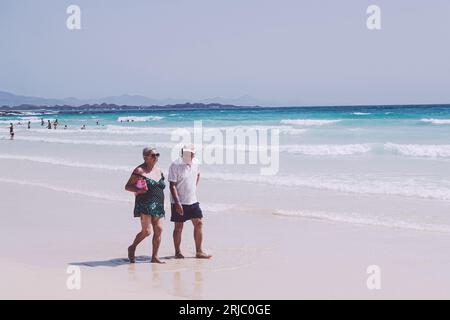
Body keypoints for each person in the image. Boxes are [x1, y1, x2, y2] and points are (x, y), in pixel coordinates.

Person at [168, 144, 212, 259]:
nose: (189, 155)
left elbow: (198, 174)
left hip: (192, 200)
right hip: (179, 201)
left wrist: (193, 188)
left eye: (191, 153)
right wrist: (177, 203)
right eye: (186, 153)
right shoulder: (175, 165)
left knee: (199, 223)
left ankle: (199, 251)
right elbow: (172, 186)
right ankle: (177, 252)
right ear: (182, 153)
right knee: (179, 227)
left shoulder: (196, 162)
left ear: (194, 154)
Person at [125, 147, 166, 264]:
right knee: (147, 232)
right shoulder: (139, 171)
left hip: (158, 204)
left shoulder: (159, 171)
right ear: (145, 157)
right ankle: (132, 247)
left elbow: (160, 187)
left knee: (159, 229)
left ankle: (155, 256)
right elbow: (128, 186)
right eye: (153, 155)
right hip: (145, 204)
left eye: (157, 155)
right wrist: (139, 190)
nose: (156, 157)